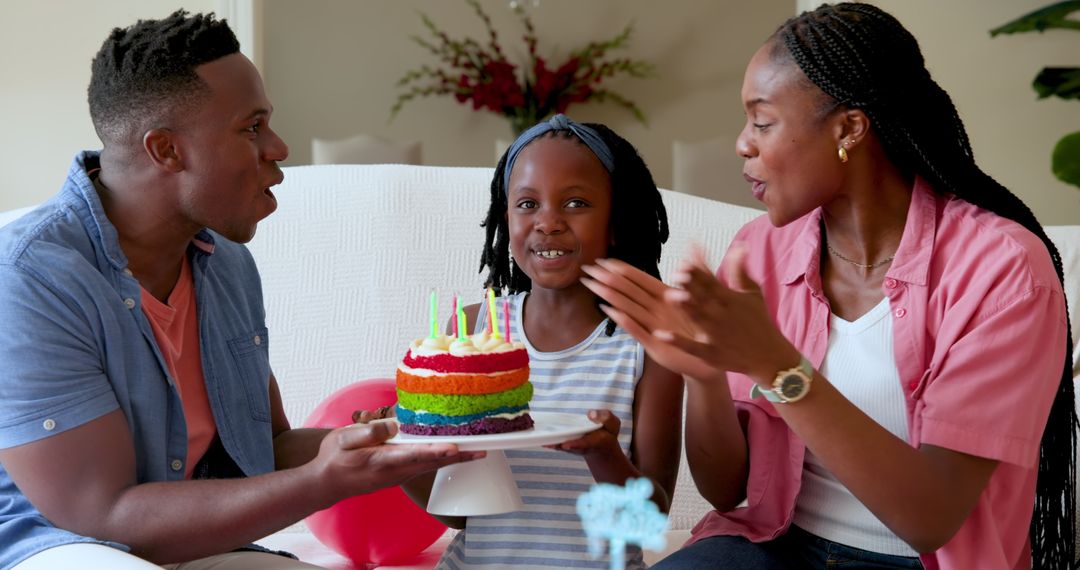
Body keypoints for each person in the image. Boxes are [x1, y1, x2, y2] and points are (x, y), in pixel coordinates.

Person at [580, 3, 1076, 569]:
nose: (742, 143)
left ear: (849, 128)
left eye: (762, 122)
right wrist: (706, 374)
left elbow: (930, 520)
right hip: (778, 546)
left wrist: (776, 366)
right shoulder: (760, 251)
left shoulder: (1002, 270)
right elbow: (727, 490)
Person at [0, 11, 481, 570]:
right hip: (59, 550)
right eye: (252, 128)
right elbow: (100, 518)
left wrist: (384, 440)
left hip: (197, 547)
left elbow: (267, 450)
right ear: (166, 150)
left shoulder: (224, 263)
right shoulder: (31, 279)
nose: (278, 147)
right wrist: (324, 481)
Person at [358, 114, 684, 569]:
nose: (547, 222)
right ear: (505, 216)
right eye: (527, 204)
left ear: (616, 220)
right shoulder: (472, 333)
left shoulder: (648, 347)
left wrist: (603, 452)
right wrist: (396, 455)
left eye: (575, 203)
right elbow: (460, 513)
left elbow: (649, 521)